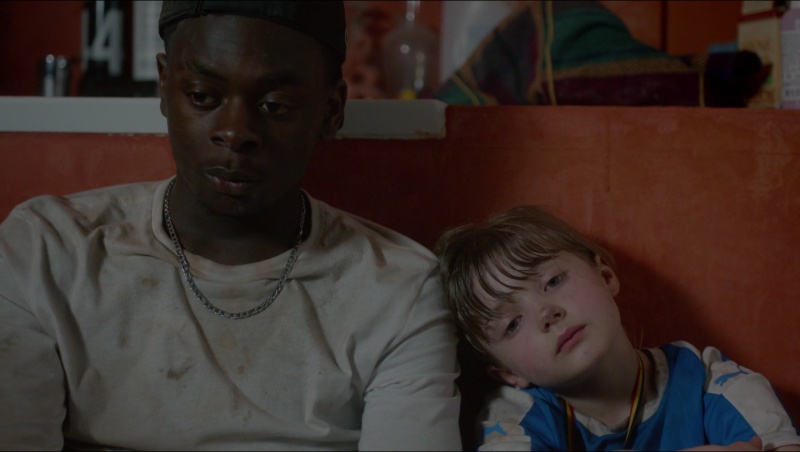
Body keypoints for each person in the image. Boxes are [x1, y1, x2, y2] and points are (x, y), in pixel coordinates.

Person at [0, 1, 461, 449]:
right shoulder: (46, 251)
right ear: (164, 86)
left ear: (331, 110)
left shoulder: (397, 293)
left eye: (275, 104)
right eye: (203, 96)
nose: (236, 132)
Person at [435, 205, 800, 451]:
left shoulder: (709, 381)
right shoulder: (514, 418)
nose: (547, 312)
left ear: (605, 276)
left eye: (553, 281)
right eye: (513, 324)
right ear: (507, 373)